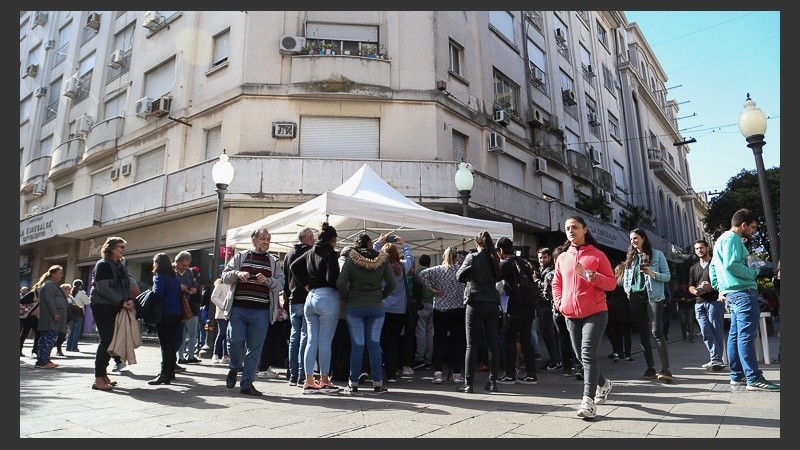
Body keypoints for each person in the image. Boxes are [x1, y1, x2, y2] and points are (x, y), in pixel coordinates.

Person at [552, 216, 616, 419]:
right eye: (568, 228)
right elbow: (556, 283)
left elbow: (612, 283)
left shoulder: (597, 255)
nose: (571, 231)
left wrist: (594, 277)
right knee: (580, 356)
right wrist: (559, 303)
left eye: (575, 227)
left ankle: (588, 401)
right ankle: (603, 383)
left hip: (596, 313)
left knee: (587, 354)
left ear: (585, 230)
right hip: (570, 314)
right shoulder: (563, 257)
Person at [710, 208, 780, 391]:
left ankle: (737, 376)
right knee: (746, 336)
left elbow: (713, 268)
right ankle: (754, 378)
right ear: (743, 225)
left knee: (735, 335)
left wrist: (720, 287)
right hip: (743, 292)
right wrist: (752, 273)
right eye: (753, 228)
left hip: (732, 293)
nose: (754, 231)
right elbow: (731, 264)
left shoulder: (720, 240)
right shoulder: (733, 239)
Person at [221, 226, 285, 396]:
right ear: (254, 240)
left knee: (255, 349)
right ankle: (234, 367)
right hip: (239, 309)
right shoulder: (241, 257)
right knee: (235, 341)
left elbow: (281, 283)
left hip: (261, 312)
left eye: (268, 239)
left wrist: (269, 280)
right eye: (263, 239)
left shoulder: (273, 261)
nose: (266, 242)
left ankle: (247, 383)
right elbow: (225, 276)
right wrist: (237, 273)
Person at [337, 232, 396, 394]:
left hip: (354, 307)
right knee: (374, 345)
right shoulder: (382, 260)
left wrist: (348, 297)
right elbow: (392, 283)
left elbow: (341, 283)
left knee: (357, 346)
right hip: (376, 307)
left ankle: (353, 383)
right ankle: (377, 383)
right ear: (371, 244)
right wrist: (381, 295)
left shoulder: (350, 261)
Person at [290, 222, 341, 394]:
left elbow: (293, 266)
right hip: (327, 297)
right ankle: (325, 380)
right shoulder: (330, 253)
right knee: (325, 341)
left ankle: (309, 381)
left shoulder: (310, 251)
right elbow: (332, 277)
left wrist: (306, 284)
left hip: (310, 299)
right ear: (333, 239)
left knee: (311, 341)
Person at [622, 228, 673, 383]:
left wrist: (652, 273)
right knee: (643, 333)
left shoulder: (657, 254)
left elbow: (667, 276)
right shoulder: (631, 257)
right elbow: (626, 277)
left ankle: (666, 369)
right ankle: (650, 368)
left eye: (636, 238)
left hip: (653, 296)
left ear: (643, 238)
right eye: (631, 239)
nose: (633, 241)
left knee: (657, 331)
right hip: (635, 297)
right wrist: (628, 291)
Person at [456, 231, 502, 394]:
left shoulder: (472, 257)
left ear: (477, 244)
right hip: (492, 303)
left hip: (475, 302)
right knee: (492, 345)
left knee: (472, 345)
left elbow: (459, 276)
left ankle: (469, 384)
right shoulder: (494, 258)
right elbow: (497, 277)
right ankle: (492, 382)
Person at [89, 237, 136, 390]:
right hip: (102, 304)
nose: (123, 249)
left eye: (124, 247)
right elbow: (103, 288)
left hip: (116, 304)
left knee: (112, 339)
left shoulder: (120, 265)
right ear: (111, 248)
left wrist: (128, 299)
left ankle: (103, 375)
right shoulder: (102, 264)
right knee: (107, 340)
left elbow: (126, 285)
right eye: (121, 247)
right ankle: (98, 378)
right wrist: (122, 301)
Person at [418, 246, 467, 385]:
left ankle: (438, 372)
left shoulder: (437, 270)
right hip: (458, 308)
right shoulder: (460, 270)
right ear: (456, 256)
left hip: (440, 309)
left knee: (439, 341)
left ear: (443, 256)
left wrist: (432, 289)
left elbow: (421, 275)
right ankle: (457, 373)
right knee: (457, 341)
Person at [495, 237, 539, 385]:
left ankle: (510, 374)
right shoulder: (523, 262)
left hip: (515, 306)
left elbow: (494, 279)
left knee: (510, 340)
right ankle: (531, 374)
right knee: (526, 340)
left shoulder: (505, 264)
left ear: (501, 250)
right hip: (528, 306)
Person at [373, 234, 414, 383]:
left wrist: (378, 243)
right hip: (400, 310)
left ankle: (382, 370)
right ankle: (392, 371)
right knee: (394, 341)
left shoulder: (380, 267)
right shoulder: (402, 267)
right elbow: (410, 258)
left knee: (381, 340)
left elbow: (370, 257)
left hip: (383, 308)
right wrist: (404, 244)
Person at [283, 227, 314, 386]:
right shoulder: (311, 252)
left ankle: (292, 374)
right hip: (307, 297)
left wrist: (287, 297)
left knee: (294, 337)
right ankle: (302, 374)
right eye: (313, 236)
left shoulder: (288, 253)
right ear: (308, 237)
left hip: (292, 299)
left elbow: (285, 279)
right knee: (305, 336)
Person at [147, 253, 184, 385]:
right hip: (177, 314)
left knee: (165, 345)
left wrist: (148, 295)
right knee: (172, 344)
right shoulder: (175, 278)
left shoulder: (159, 277)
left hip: (165, 314)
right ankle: (170, 372)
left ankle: (164, 374)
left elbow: (158, 294)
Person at [689, 239, 725, 371]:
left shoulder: (716, 264)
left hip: (714, 301)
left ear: (708, 248)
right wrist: (694, 290)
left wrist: (711, 287)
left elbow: (723, 282)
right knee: (705, 330)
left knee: (716, 330)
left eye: (701, 248)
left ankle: (716, 359)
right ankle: (716, 359)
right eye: (697, 249)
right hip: (699, 303)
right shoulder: (693, 268)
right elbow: (690, 285)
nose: (699, 250)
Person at [33, 265, 69, 369]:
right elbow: (49, 300)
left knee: (48, 338)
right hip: (51, 317)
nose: (61, 275)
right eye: (59, 273)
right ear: (53, 274)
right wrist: (55, 313)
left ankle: (44, 360)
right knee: (48, 339)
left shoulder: (51, 284)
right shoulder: (49, 285)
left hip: (52, 316)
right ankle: (43, 361)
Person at [534, 247, 562, 371]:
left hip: (547, 305)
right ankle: (556, 359)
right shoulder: (542, 270)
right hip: (544, 306)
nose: (542, 260)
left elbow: (547, 288)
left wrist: (536, 280)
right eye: (540, 257)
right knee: (551, 333)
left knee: (549, 333)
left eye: (544, 257)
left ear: (550, 257)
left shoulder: (550, 270)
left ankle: (555, 360)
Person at [605, 263, 634, 362]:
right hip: (627, 310)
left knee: (616, 333)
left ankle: (617, 352)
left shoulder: (613, 282)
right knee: (627, 334)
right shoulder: (628, 282)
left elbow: (607, 295)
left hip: (614, 311)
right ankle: (628, 355)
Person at [174, 254, 199, 365]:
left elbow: (194, 289)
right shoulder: (171, 270)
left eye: (187, 265)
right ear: (177, 262)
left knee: (184, 333)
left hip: (186, 305)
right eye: (183, 265)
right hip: (174, 304)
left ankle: (183, 357)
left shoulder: (189, 272)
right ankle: (178, 358)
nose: (185, 267)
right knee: (179, 334)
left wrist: (186, 288)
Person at [411, 254, 435, 370]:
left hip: (422, 304)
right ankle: (428, 359)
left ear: (419, 262)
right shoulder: (433, 271)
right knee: (430, 333)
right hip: (433, 303)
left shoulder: (418, 272)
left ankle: (419, 358)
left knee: (420, 331)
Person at [208, 278, 231, 365]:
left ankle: (225, 355)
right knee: (222, 333)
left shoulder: (232, 285)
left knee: (227, 334)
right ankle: (215, 354)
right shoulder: (221, 285)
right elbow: (214, 297)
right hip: (221, 314)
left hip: (230, 314)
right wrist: (223, 306)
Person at [66, 279, 90, 352]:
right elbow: (87, 302)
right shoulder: (81, 293)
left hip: (70, 314)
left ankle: (68, 346)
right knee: (76, 331)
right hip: (78, 313)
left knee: (71, 331)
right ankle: (74, 347)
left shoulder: (70, 293)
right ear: (80, 285)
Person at [20, 286, 40, 357]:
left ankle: (35, 350)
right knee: (25, 333)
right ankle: (19, 349)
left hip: (34, 316)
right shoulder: (32, 293)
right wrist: (33, 300)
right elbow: (21, 301)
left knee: (38, 333)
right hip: (27, 316)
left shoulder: (42, 295)